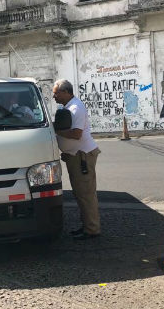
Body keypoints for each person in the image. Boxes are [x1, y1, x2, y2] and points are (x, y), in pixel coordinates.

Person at [52, 79, 101, 240]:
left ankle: (92, 229)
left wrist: (55, 131)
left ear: (66, 92)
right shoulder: (69, 107)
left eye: (56, 93)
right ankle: (87, 226)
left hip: (82, 157)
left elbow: (76, 134)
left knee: (86, 194)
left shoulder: (75, 108)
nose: (54, 97)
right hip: (76, 156)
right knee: (80, 193)